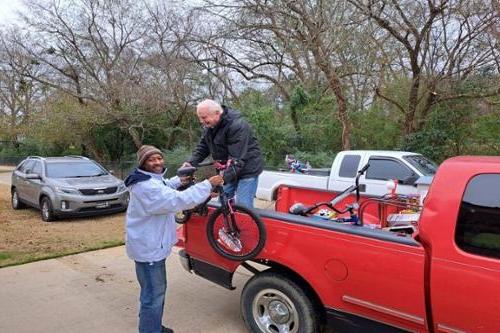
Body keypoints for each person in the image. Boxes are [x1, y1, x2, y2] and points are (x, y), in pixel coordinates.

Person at [124, 145, 223, 333]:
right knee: (153, 296)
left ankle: (152, 326)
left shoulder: (148, 181)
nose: (157, 162)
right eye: (151, 160)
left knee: (152, 294)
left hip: (150, 247)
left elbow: (164, 186)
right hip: (149, 251)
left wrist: (180, 179)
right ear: (143, 163)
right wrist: (208, 184)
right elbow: (177, 200)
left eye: (159, 158)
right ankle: (150, 330)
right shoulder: (145, 186)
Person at [183, 99, 264, 208]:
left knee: (243, 207)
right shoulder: (210, 126)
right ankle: (224, 225)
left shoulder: (237, 126)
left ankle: (243, 224)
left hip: (247, 170)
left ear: (217, 113)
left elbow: (237, 159)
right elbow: (203, 147)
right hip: (228, 169)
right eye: (200, 118)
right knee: (222, 205)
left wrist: (221, 180)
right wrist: (191, 163)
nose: (202, 121)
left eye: (204, 117)